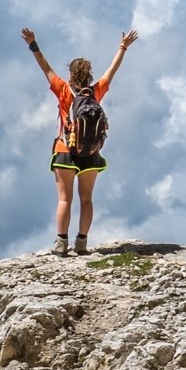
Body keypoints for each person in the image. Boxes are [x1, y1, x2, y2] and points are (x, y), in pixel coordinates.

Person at [22, 26, 136, 256]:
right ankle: (82, 243)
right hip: (91, 153)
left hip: (65, 150)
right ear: (89, 75)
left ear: (71, 75)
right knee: (87, 200)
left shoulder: (63, 90)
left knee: (65, 199)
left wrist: (33, 44)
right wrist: (123, 47)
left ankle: (61, 244)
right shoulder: (96, 92)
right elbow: (112, 70)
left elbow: (45, 67)